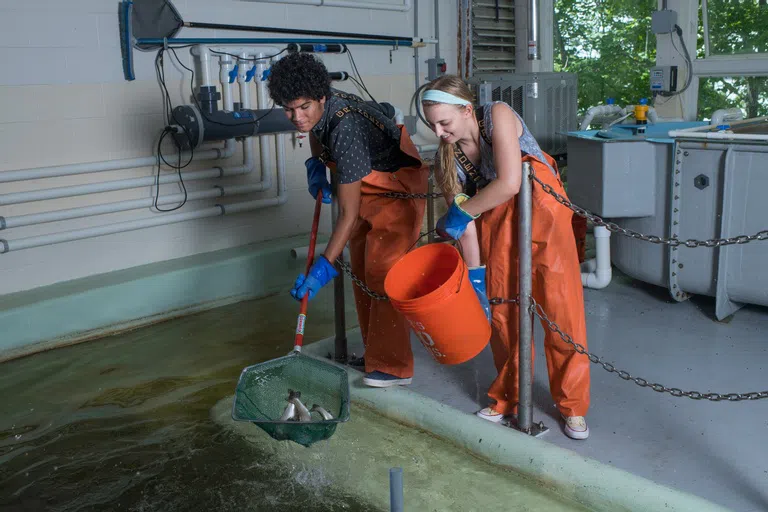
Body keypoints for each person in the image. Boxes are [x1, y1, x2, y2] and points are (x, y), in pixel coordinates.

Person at [421, 75, 591, 440]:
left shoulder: (496, 114)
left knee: (562, 310)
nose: (438, 132)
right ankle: (508, 398)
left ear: (466, 109)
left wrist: (462, 213)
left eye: (444, 122)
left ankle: (573, 406)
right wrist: (476, 278)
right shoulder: (448, 159)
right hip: (497, 225)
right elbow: (465, 229)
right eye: (432, 124)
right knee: (504, 314)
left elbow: (510, 182)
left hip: (542, 214)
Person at [267, 52, 429, 388]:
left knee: (383, 274)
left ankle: (395, 368)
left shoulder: (346, 129)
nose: (297, 117)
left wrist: (324, 266)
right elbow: (315, 128)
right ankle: (375, 354)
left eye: (304, 107)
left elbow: (348, 213)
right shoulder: (320, 112)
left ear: (321, 98)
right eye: (289, 109)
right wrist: (315, 166)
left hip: (396, 189)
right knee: (361, 272)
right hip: (365, 185)